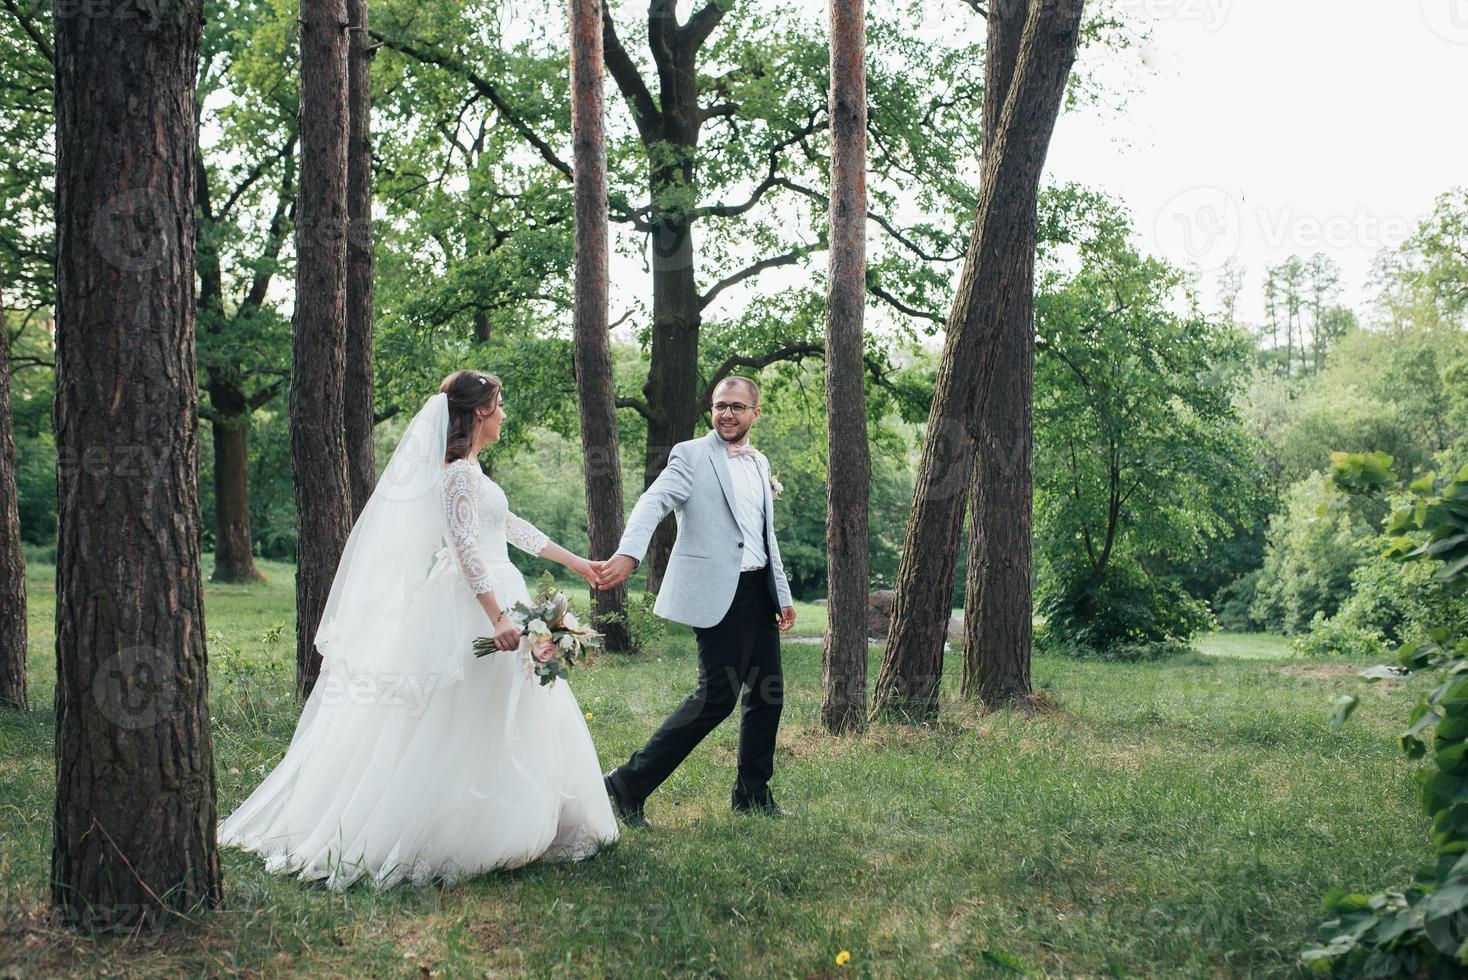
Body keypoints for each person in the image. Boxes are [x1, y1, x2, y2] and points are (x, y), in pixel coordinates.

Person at [219, 370, 618, 890]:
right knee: (460, 713)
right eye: (498, 405)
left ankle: (524, 814)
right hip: (473, 603)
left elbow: (511, 527)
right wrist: (497, 615)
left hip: (501, 591)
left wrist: (579, 563)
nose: (503, 414)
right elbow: (466, 549)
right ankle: (453, 827)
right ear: (479, 411)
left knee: (509, 707)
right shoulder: (453, 474)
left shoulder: (473, 472)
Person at [596, 376, 796, 827]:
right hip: (717, 593)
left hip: (758, 590)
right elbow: (653, 502)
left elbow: (766, 536)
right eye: (720, 406)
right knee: (715, 698)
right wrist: (630, 553)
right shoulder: (689, 455)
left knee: (769, 696)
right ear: (712, 409)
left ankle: (752, 794)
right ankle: (629, 782)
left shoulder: (760, 463)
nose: (727, 414)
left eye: (737, 407)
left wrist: (780, 594)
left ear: (754, 414)